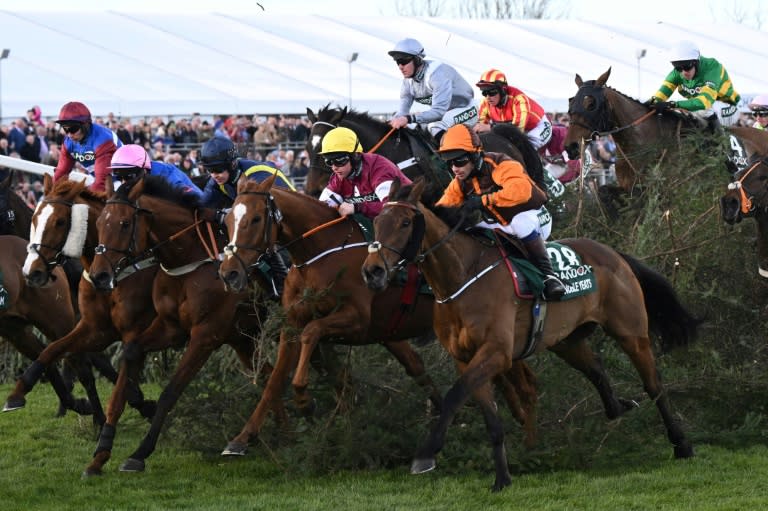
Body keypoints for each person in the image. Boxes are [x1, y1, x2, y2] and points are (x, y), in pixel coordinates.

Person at [435, 124, 565, 301]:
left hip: (535, 216)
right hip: (504, 222)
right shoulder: (460, 181)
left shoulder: (501, 164)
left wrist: (483, 200)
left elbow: (521, 191)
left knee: (520, 223)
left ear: (475, 155)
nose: (455, 168)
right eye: (450, 163)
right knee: (471, 228)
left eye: (459, 161)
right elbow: (443, 207)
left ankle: (550, 277)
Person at [198, 136, 294, 298]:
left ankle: (283, 288)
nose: (214, 175)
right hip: (263, 218)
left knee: (260, 242)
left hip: (287, 219)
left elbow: (263, 212)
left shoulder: (257, 175)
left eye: (219, 169)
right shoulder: (217, 180)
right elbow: (202, 205)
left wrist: (221, 216)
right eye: (210, 170)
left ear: (232, 164)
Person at [387, 38, 478, 142]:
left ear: (417, 59)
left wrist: (408, 119)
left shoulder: (437, 75)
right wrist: (391, 122)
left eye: (403, 61)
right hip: (445, 112)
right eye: (397, 62)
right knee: (415, 128)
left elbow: (438, 112)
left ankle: (455, 157)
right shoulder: (407, 82)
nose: (400, 66)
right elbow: (402, 113)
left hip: (467, 109)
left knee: (435, 127)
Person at [318, 126, 412, 219]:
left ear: (355, 156)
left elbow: (392, 208)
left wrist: (358, 207)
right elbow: (321, 207)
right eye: (329, 162)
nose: (334, 167)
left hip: (408, 217)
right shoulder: (340, 175)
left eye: (339, 160)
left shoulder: (380, 169)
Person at [648, 40, 741, 130]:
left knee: (704, 110)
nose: (683, 72)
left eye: (687, 67)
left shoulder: (712, 67)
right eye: (678, 67)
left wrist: (673, 104)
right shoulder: (676, 73)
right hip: (703, 108)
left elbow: (704, 102)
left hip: (728, 107)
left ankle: (721, 142)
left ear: (696, 62)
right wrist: (650, 104)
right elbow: (659, 96)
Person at [52, 101, 122, 192]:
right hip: (103, 180)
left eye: (73, 129)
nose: (69, 135)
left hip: (123, 180)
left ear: (86, 125)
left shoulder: (103, 140)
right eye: (65, 129)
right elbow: (60, 175)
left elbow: (101, 184)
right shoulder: (68, 143)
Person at [107, 144, 203, 200]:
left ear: (143, 170)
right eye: (120, 178)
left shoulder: (167, 176)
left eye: (128, 177)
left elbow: (194, 197)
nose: (123, 183)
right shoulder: (143, 173)